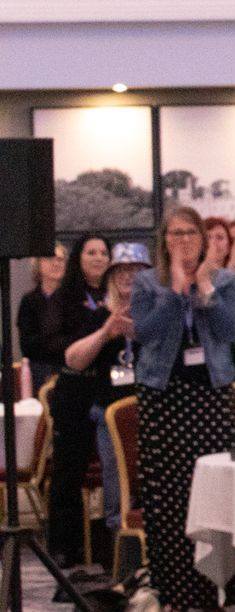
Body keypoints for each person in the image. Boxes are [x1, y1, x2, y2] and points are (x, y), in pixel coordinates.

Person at [130, 206, 235, 612]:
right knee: (168, 498)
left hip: (209, 394)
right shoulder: (147, 282)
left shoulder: (227, 281)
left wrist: (204, 290)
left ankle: (216, 597)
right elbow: (147, 332)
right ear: (164, 240)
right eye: (174, 234)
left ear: (203, 238)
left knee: (213, 495)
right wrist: (176, 293)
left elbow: (231, 330)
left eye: (189, 233)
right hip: (163, 395)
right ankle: (173, 597)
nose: (182, 241)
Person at [46, 234, 113, 568]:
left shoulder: (116, 294)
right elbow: (58, 343)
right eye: (91, 252)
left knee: (110, 470)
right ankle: (64, 545)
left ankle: (104, 543)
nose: (98, 258)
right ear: (79, 258)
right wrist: (100, 321)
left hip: (106, 388)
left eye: (104, 253)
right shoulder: (65, 297)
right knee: (68, 471)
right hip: (73, 391)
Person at [16, 243, 66, 394]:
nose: (56, 263)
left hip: (68, 368)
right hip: (39, 370)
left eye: (61, 259)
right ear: (38, 264)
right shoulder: (29, 301)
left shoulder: (72, 299)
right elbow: (27, 344)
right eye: (50, 258)